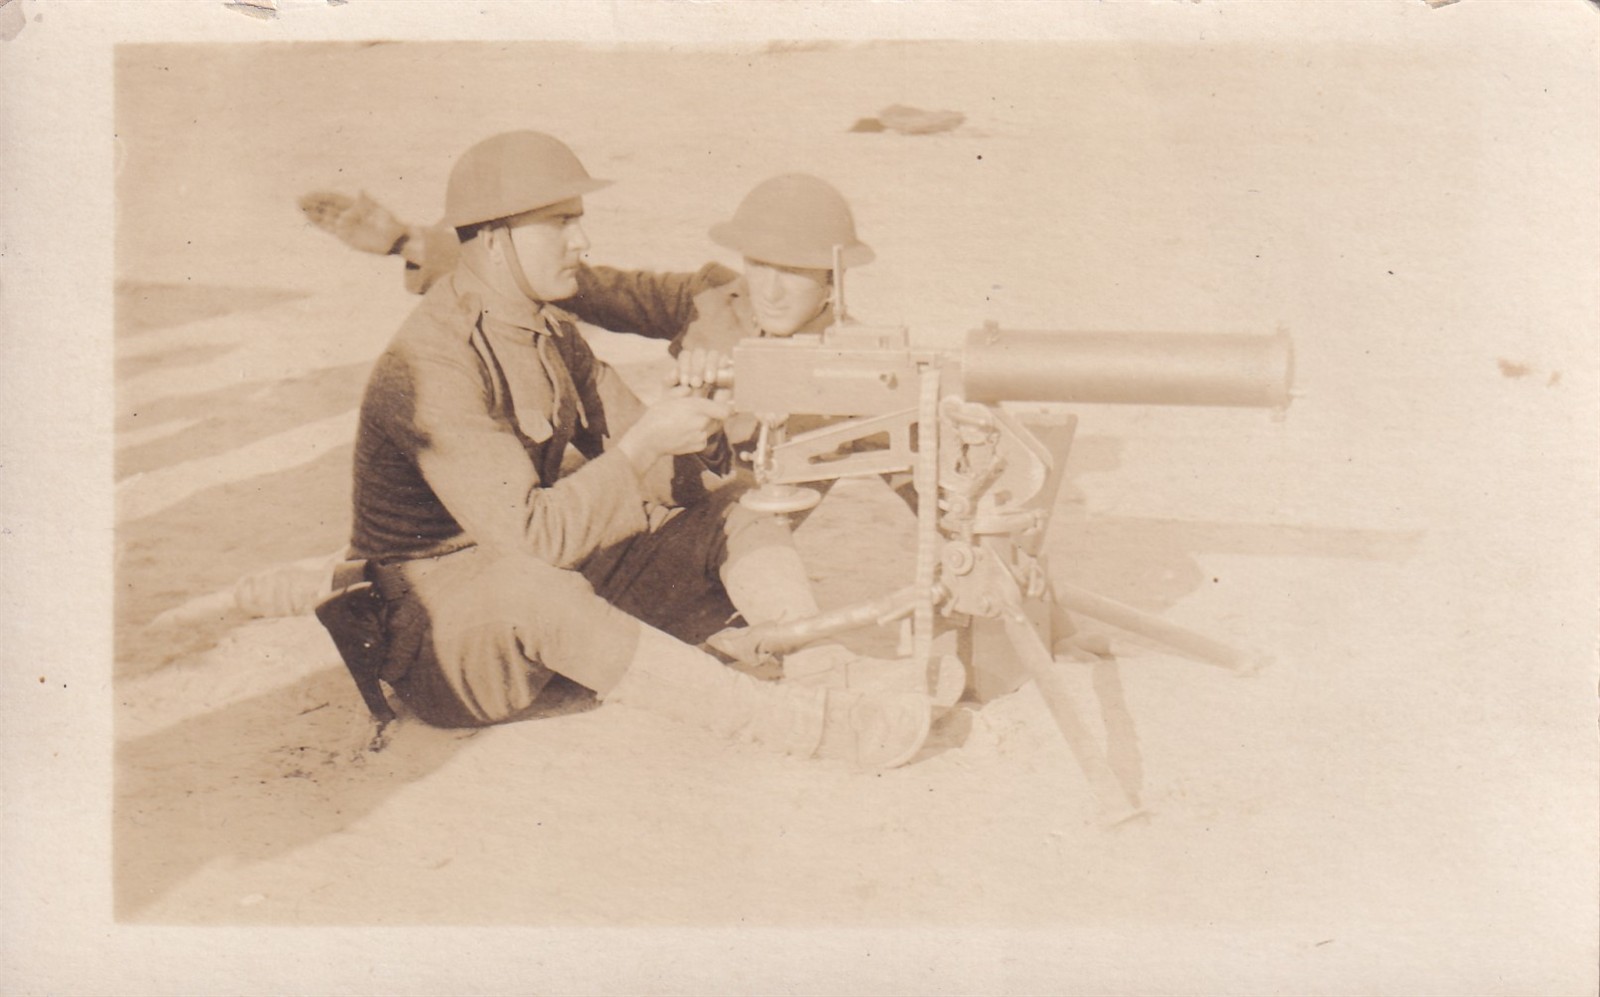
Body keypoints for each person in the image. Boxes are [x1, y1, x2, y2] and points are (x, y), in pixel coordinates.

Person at [337, 130, 947, 769]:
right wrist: (642, 446)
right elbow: (536, 537)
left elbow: (667, 474)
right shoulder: (433, 362)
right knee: (535, 583)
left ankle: (819, 667)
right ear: (493, 239)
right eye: (561, 223)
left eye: (578, 220)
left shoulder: (548, 331)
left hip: (543, 599)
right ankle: (800, 725)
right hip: (440, 645)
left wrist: (697, 419)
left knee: (739, 506)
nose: (583, 242)